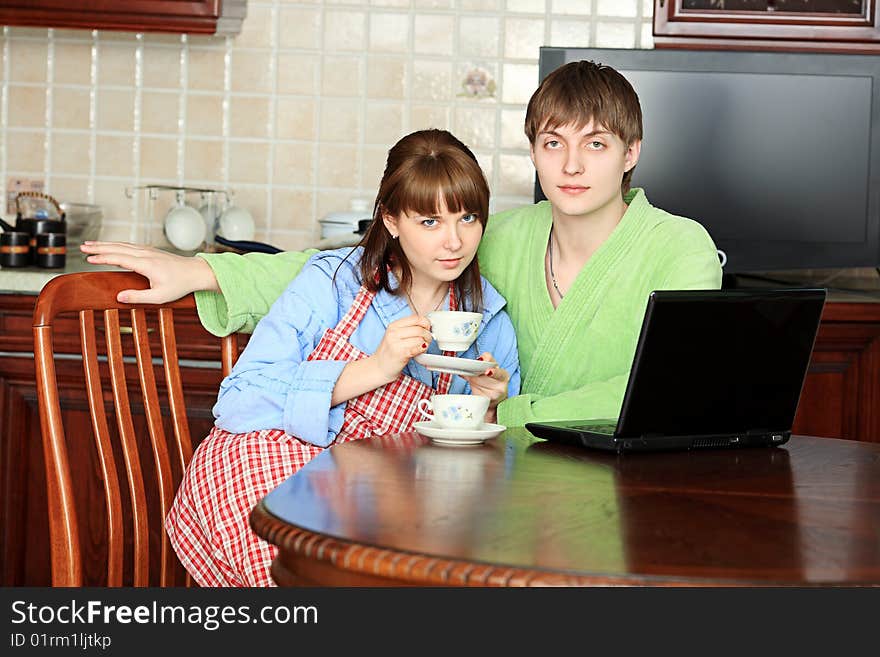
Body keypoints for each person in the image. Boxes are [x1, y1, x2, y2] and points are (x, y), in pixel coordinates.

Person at [82, 59, 722, 428]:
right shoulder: (497, 235)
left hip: (623, 481)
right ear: (533, 152)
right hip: (504, 480)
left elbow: (677, 387)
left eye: (597, 144)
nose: (572, 166)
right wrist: (207, 272)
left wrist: (511, 412)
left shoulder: (681, 248)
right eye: (554, 143)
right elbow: (360, 264)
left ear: (632, 153)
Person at [164, 129, 521, 586]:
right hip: (270, 464)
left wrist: (488, 407)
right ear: (391, 220)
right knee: (304, 573)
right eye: (430, 222)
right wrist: (375, 367)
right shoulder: (334, 282)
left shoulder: (489, 321)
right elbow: (237, 400)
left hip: (384, 500)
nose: (454, 241)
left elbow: (498, 473)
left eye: (468, 218)